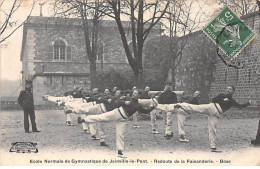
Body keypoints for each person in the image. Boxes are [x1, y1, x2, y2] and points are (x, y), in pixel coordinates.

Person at [77, 89, 157, 157]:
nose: (133, 93)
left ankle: (120, 151)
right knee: (101, 117)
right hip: (117, 113)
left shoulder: (138, 105)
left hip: (123, 119)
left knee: (120, 134)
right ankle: (84, 120)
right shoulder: (127, 97)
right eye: (134, 92)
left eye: (136, 93)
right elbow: (117, 102)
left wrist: (153, 107)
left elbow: (145, 111)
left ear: (139, 95)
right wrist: (124, 102)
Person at [175, 85, 251, 152]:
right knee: (196, 107)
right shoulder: (222, 95)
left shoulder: (232, 101)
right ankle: (181, 105)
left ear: (233, 91)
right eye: (227, 89)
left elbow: (240, 106)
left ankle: (213, 146)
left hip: (216, 113)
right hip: (211, 107)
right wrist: (223, 100)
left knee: (213, 129)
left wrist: (248, 103)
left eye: (230, 89)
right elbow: (213, 99)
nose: (228, 90)